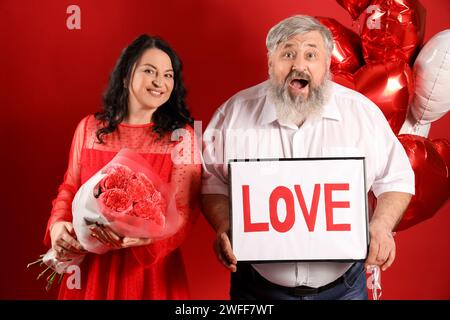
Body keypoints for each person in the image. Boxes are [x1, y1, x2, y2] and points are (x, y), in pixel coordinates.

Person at [201, 15, 415, 300]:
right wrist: (224, 224)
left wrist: (382, 225)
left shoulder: (361, 114)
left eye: (311, 54)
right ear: (270, 63)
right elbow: (211, 180)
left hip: (344, 289)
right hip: (256, 288)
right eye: (287, 53)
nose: (298, 65)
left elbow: (397, 177)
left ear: (326, 64)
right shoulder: (233, 114)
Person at [43, 34, 201, 299]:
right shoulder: (89, 128)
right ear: (126, 77)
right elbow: (70, 187)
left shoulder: (182, 137)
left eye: (167, 75)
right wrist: (58, 225)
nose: (159, 82)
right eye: (149, 71)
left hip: (149, 271)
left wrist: (150, 240)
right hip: (91, 266)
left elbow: (185, 211)